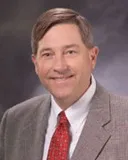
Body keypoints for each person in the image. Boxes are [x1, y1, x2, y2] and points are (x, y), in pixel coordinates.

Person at [0, 8, 128, 160]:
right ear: (36, 64)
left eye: (70, 52)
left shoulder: (124, 120)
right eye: (48, 54)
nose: (60, 66)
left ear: (92, 57)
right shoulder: (14, 121)